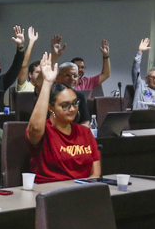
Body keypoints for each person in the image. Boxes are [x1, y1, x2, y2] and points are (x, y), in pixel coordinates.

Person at [25, 48, 102, 182]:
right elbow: (35, 128)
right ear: (51, 107)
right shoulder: (44, 132)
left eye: (74, 104)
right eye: (65, 105)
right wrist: (47, 83)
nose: (72, 109)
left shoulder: (85, 133)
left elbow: (96, 173)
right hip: (50, 193)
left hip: (81, 191)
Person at [10, 26, 41, 94]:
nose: (41, 75)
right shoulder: (24, 86)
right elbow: (23, 65)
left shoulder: (46, 89)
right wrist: (31, 42)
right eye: (38, 72)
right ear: (30, 75)